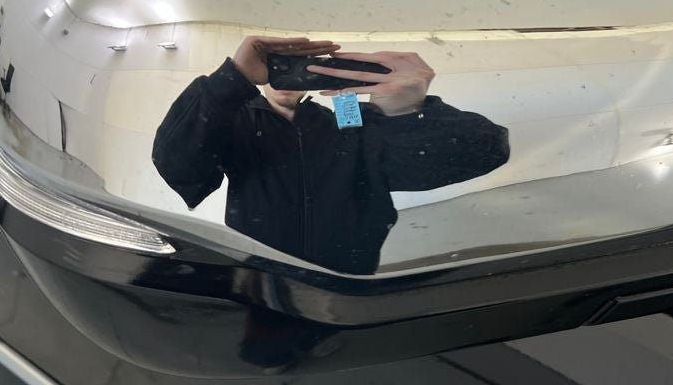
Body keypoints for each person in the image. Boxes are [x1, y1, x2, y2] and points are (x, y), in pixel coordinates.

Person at [152, 35, 509, 274]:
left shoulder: (346, 119)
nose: (289, 78)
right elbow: (178, 167)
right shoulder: (235, 119)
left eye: (302, 70)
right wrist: (232, 79)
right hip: (260, 279)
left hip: (349, 284)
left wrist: (406, 112)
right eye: (280, 67)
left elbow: (487, 151)